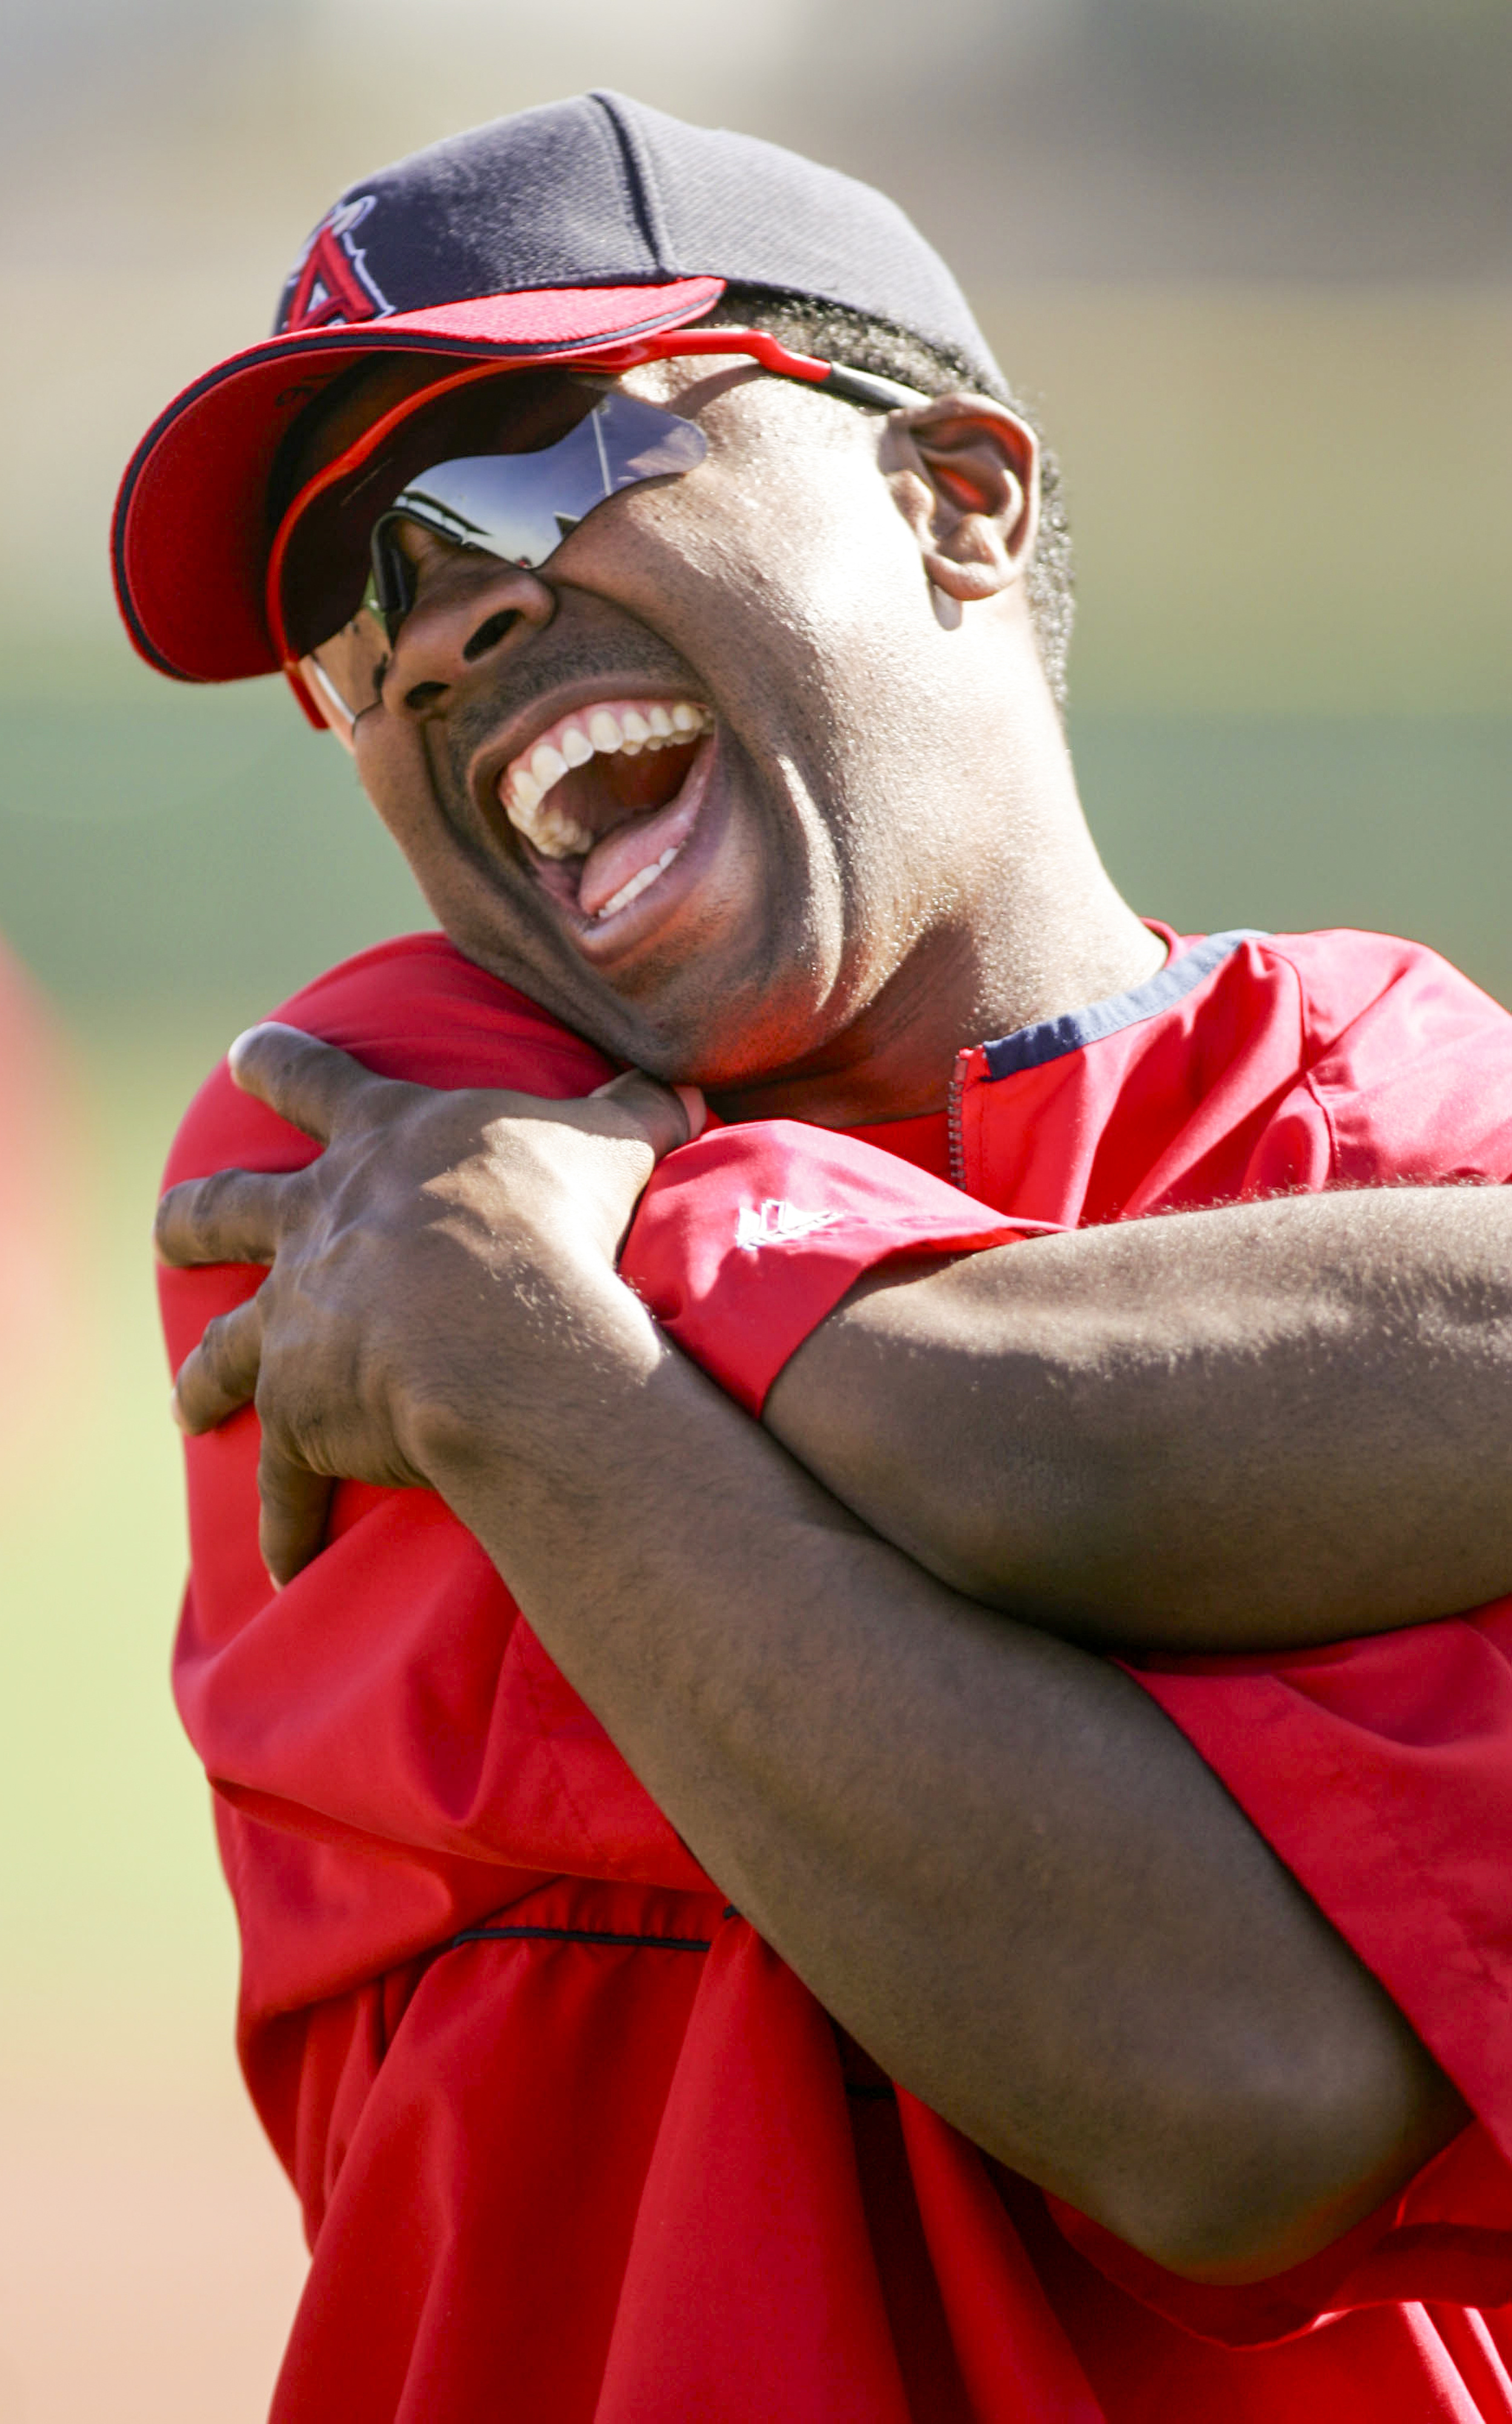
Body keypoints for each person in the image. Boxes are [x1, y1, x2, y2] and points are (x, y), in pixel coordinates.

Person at [122, 94, 1512, 2421]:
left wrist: (564, 1332)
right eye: (351, 600)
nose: (443, 621)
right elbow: (1209, 2065)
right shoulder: (351, 1153)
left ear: (958, 496)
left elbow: (1241, 2094)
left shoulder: (1393, 1115)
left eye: (542, 462)